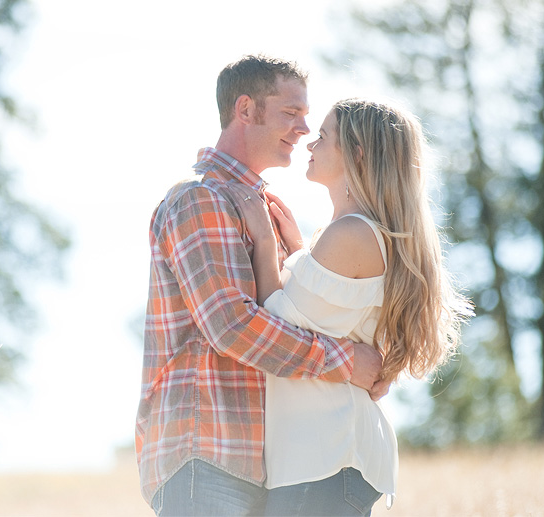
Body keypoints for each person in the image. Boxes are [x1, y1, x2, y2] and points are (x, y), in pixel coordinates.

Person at [135, 56, 388, 517]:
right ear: (245, 109)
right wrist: (346, 361)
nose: (304, 129)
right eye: (291, 114)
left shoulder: (264, 206)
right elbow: (230, 324)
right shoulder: (202, 197)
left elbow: (298, 311)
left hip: (262, 463)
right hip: (208, 452)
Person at [232, 98, 473, 516]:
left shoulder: (352, 234)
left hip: (324, 454)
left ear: (357, 153)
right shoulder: (354, 234)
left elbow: (272, 325)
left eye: (323, 137)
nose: (310, 143)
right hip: (327, 455)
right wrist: (297, 249)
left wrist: (266, 243)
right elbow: (321, 320)